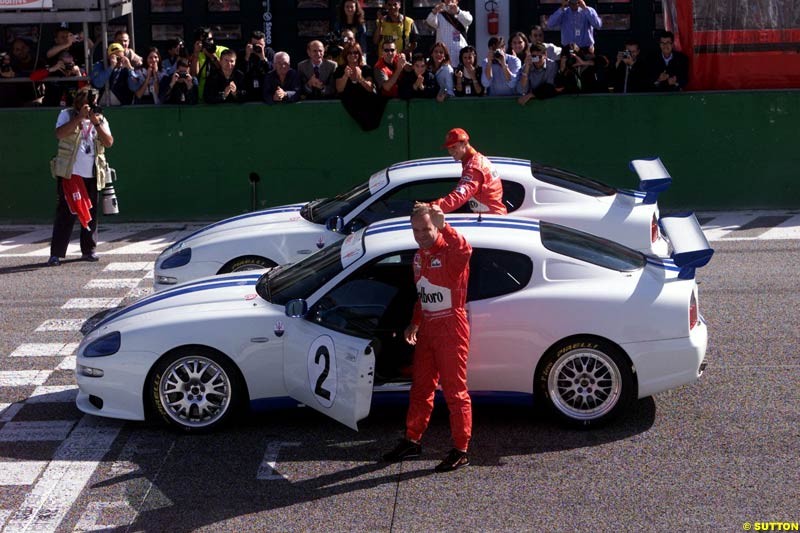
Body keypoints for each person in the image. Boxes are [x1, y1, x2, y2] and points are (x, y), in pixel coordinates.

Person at [382, 201, 473, 473]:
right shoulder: (419, 256)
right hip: (429, 330)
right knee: (421, 389)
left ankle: (461, 449)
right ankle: (412, 439)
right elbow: (423, 295)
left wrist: (447, 226)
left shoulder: (449, 252)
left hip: (451, 328)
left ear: (437, 227)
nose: (421, 234)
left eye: (426, 229)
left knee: (456, 393)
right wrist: (414, 323)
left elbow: (465, 250)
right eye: (416, 229)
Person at [47, 86, 114, 266]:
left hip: (92, 173)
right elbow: (59, 134)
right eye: (89, 102)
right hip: (71, 173)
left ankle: (89, 250)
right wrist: (79, 118)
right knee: (66, 214)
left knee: (91, 212)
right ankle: (56, 254)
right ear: (79, 102)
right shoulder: (67, 115)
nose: (93, 106)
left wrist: (96, 123)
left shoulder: (99, 118)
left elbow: (108, 142)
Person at [434, 127, 507, 215]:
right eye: (448, 148)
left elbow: (459, 197)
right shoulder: (474, 160)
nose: (450, 151)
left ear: (465, 143)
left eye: (454, 147)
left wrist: (432, 208)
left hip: (491, 220)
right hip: (490, 217)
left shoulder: (474, 167)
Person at [335, 43, 385, 130]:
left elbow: (370, 88)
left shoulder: (366, 69)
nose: (352, 55)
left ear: (359, 54)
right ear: (345, 55)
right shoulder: (340, 70)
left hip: (365, 102)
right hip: (350, 104)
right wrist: (345, 76)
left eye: (355, 52)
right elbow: (339, 89)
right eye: (349, 53)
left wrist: (360, 78)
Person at [425, 0, 472, 66]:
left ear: (457, 2)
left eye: (452, 0)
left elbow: (469, 20)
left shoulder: (462, 14)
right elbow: (430, 21)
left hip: (459, 52)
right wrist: (435, 10)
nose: (450, 3)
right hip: (443, 55)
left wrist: (457, 11)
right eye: (447, 1)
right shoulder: (439, 15)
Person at [190, 27, 228, 103]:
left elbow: (225, 71)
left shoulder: (222, 51)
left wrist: (211, 55)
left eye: (210, 40)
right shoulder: (196, 54)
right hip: (202, 97)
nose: (208, 43)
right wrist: (196, 54)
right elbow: (194, 75)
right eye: (205, 41)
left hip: (220, 95)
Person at [238, 30, 275, 103]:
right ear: (249, 43)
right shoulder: (243, 53)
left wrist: (263, 58)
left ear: (264, 44)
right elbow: (240, 72)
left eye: (260, 45)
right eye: (255, 45)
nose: (258, 47)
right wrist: (247, 57)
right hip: (248, 89)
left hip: (265, 89)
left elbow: (272, 71)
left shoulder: (269, 52)